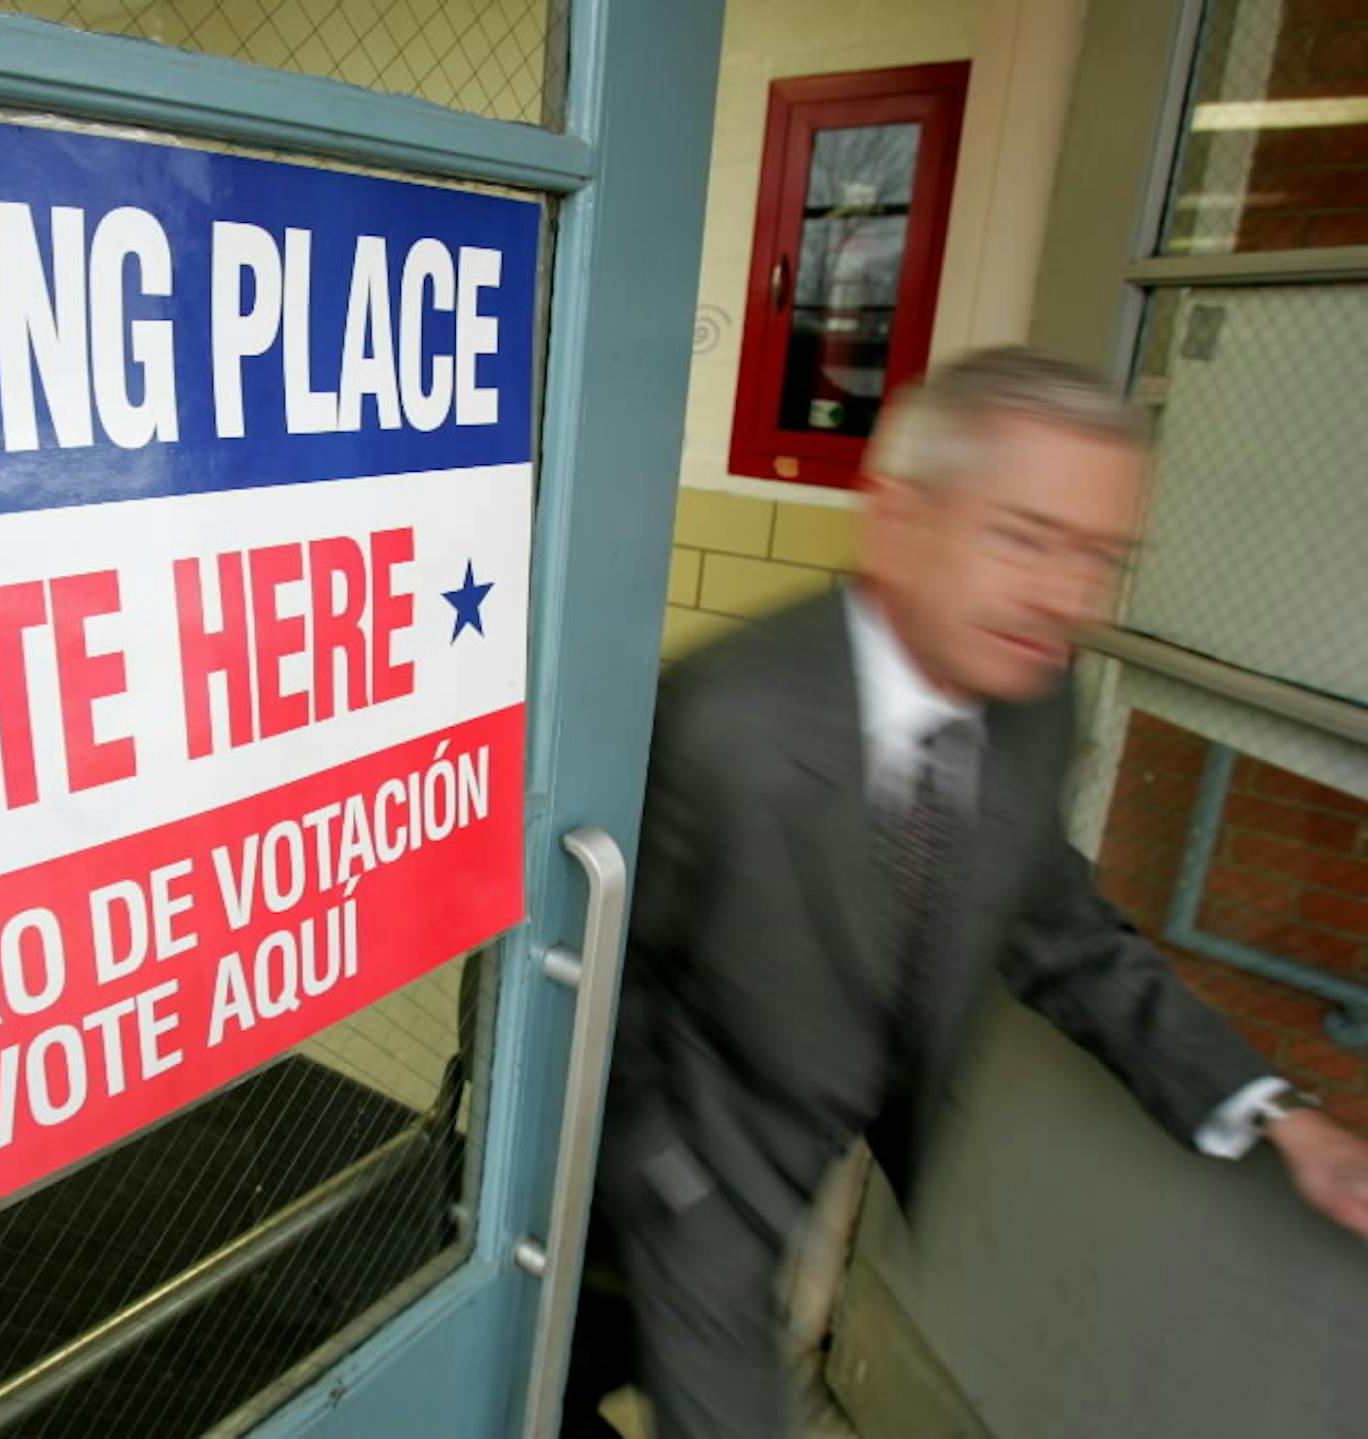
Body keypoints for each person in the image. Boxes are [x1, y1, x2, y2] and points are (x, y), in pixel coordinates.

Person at [569, 347, 1368, 1439]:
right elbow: (587, 986)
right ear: (897, 519)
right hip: (657, 1171)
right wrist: (671, 1196)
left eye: (1101, 557)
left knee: (584, 1367)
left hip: (774, 1175)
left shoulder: (1030, 703)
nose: (1069, 597)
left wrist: (1279, 1114)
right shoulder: (724, 720)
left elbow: (1060, 930)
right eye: (1026, 537)